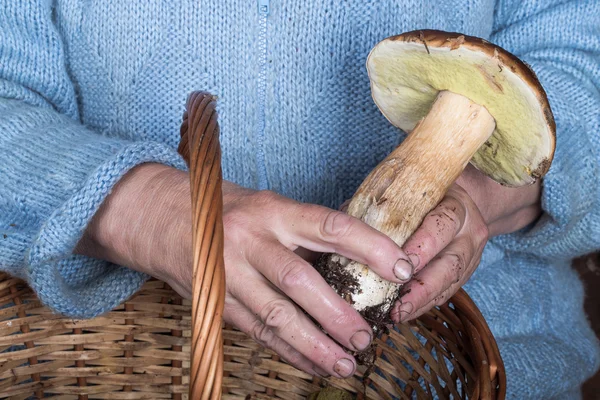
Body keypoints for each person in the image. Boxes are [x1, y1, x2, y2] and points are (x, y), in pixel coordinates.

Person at [0, 0, 598, 398]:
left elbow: (584, 62)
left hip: (474, 350)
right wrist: (150, 212)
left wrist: (483, 196)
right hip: (107, 353)